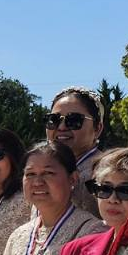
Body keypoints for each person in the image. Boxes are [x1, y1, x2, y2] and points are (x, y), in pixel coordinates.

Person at [45, 87, 105, 216]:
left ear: (97, 128)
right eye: (54, 120)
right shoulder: (38, 170)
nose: (61, 127)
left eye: (73, 120)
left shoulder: (106, 173)